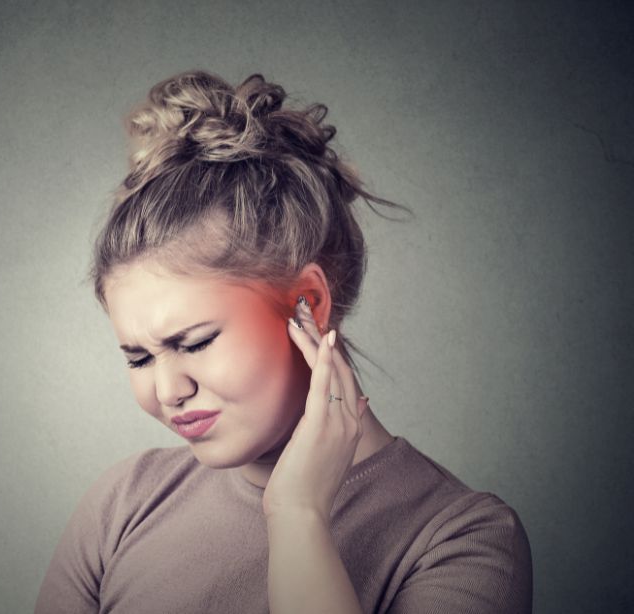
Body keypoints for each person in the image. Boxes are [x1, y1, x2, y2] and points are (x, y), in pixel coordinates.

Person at [34, 70, 533, 614]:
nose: (168, 389)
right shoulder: (123, 503)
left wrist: (298, 516)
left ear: (308, 305)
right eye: (138, 356)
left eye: (195, 342)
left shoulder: (461, 541)